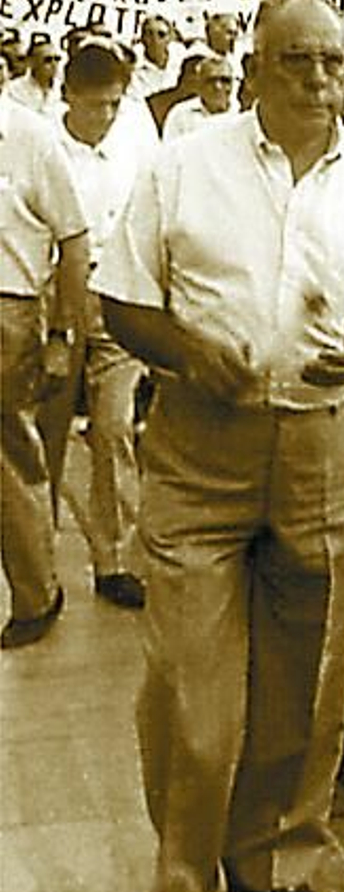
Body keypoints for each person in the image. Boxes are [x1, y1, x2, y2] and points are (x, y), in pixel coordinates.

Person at [98, 0, 344, 892]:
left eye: (334, 62)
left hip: (328, 444)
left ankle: (274, 863)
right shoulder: (183, 165)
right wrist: (187, 350)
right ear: (255, 66)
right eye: (296, 60)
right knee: (187, 674)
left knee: (311, 671)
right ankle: (182, 868)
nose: (318, 81)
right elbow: (122, 298)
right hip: (202, 441)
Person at [41, 39, 151, 608]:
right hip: (55, 297)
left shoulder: (135, 146)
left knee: (112, 431)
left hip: (116, 297)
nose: (105, 116)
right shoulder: (42, 148)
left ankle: (113, 559)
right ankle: (38, 568)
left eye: (113, 104)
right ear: (67, 97)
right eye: (94, 105)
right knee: (49, 435)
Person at [1, 90, 89, 648]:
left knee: (10, 462)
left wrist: (61, 336)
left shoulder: (30, 138)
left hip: (8, 314)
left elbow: (74, 242)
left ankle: (37, 595)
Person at [164, 51, 238, 136]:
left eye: (225, 80)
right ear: (198, 85)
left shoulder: (241, 112)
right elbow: (171, 148)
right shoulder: (180, 115)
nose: (218, 86)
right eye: (211, 81)